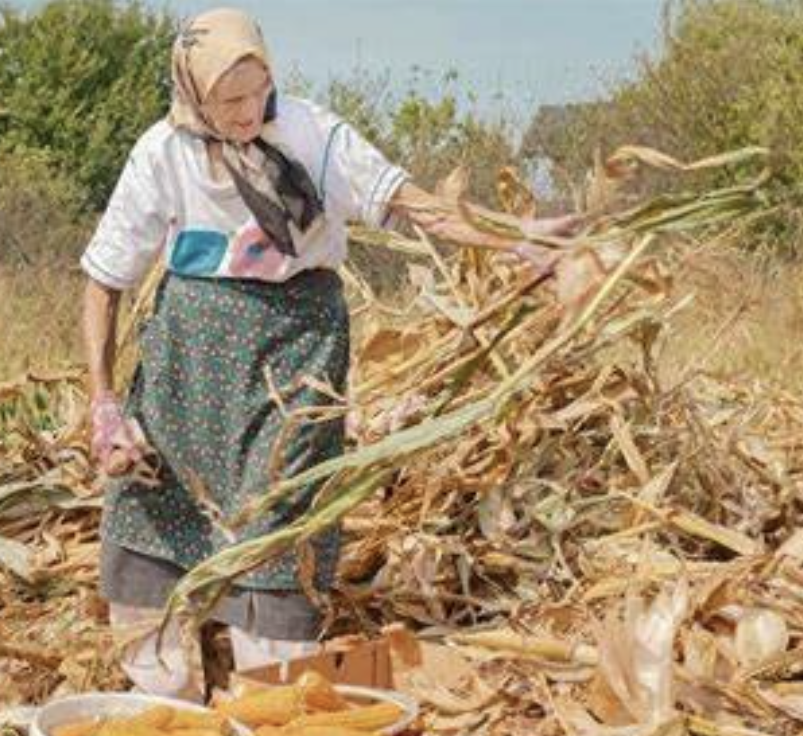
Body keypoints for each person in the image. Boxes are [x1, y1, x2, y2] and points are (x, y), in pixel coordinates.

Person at [81, 7, 566, 699]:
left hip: (296, 354)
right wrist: (103, 403)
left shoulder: (312, 132)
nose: (250, 112)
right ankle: (167, 704)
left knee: (283, 520)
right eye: (230, 100)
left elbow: (411, 204)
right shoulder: (163, 152)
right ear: (193, 95)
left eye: (259, 91)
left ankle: (268, 705)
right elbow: (104, 279)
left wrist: (514, 235)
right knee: (152, 508)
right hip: (188, 363)